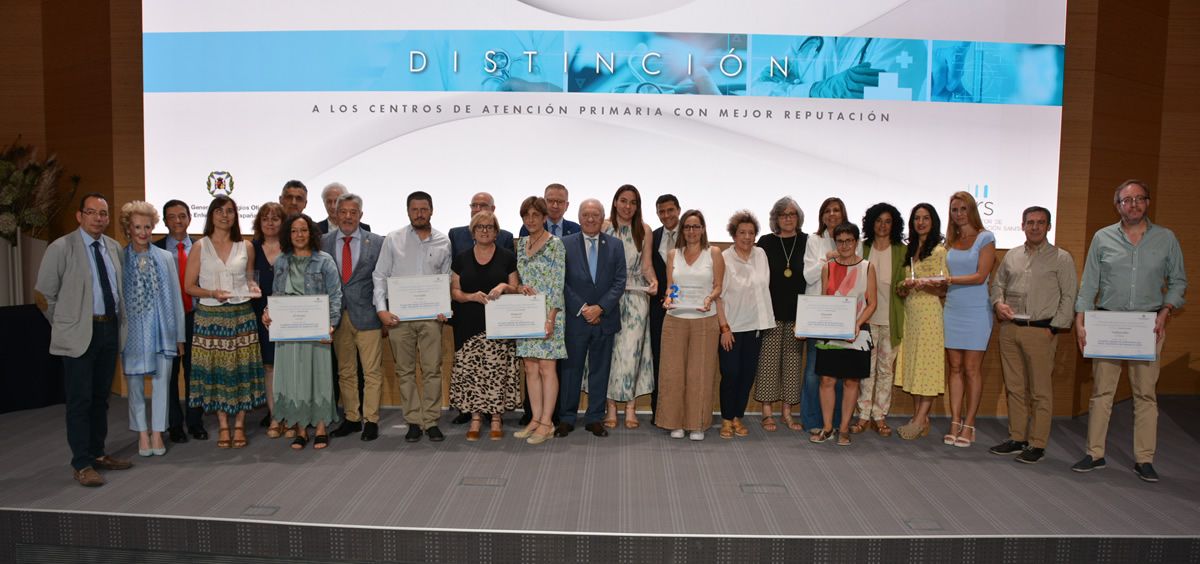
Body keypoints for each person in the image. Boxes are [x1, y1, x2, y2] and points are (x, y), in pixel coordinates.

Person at [1072, 180, 1187, 482]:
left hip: (1148, 326)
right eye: (1127, 200)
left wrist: (1165, 311)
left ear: (1147, 202)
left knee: (1145, 395)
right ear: (1118, 205)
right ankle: (1094, 454)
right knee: (1102, 393)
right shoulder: (1103, 237)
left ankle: (1144, 460)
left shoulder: (1166, 238)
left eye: (1139, 199)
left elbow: (1178, 281)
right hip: (1108, 324)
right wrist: (1080, 320)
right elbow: (1089, 283)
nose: (1133, 204)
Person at [36, 192, 133, 487]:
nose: (98, 218)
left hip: (108, 330)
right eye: (91, 212)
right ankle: (81, 463)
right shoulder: (61, 247)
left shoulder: (113, 247)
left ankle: (97, 453)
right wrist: (66, 324)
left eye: (103, 213)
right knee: (80, 400)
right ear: (80, 216)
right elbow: (44, 295)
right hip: (78, 333)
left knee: (101, 398)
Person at [989, 206, 1077, 464]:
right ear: (1022, 225)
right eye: (1030, 222)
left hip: (1041, 331)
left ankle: (1037, 443)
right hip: (1010, 329)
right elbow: (998, 285)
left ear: (1048, 226)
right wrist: (998, 304)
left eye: (1040, 222)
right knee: (1015, 388)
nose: (1035, 227)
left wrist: (1054, 328)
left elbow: (1069, 296)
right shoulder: (1012, 255)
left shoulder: (1061, 258)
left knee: (1040, 391)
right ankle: (1017, 438)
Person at [184, 195, 266, 449]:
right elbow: (189, 286)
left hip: (241, 316)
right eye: (219, 211)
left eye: (229, 211)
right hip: (211, 318)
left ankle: (239, 424)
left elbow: (249, 279)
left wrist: (253, 287)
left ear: (235, 216)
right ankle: (222, 425)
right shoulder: (200, 246)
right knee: (217, 372)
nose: (224, 215)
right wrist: (211, 293)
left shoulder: (246, 246)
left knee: (241, 370)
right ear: (211, 215)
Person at [373, 191, 452, 443]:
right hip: (399, 318)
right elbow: (380, 275)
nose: (419, 214)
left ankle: (431, 421)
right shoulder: (393, 239)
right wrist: (381, 309)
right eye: (415, 209)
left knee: (432, 370)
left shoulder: (443, 241)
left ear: (432, 210)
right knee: (404, 371)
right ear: (408, 211)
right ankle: (414, 422)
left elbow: (446, 279)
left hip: (431, 318)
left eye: (424, 209)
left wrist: (444, 307)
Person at [262, 214, 342, 450]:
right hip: (288, 332)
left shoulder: (324, 261)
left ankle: (320, 428)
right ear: (288, 234)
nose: (299, 235)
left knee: (318, 377)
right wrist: (267, 312)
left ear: (311, 233)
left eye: (304, 230)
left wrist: (331, 324)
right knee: (293, 379)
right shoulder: (281, 261)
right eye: (294, 231)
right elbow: (276, 294)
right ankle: (300, 430)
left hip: (316, 329)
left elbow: (335, 295)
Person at [119, 201, 186, 457]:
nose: (143, 232)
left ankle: (158, 432)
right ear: (128, 228)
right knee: (135, 384)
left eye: (147, 227)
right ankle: (141, 433)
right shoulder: (119, 258)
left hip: (162, 330)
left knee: (162, 383)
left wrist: (179, 336)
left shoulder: (165, 257)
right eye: (137, 227)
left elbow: (176, 299)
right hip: (132, 333)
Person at [556, 199, 626, 438]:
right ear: (579, 217)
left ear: (602, 218)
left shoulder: (615, 245)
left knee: (600, 370)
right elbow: (561, 281)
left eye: (595, 214)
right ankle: (566, 418)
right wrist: (584, 308)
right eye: (585, 214)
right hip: (576, 319)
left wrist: (600, 308)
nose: (590, 219)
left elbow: (619, 281)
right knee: (570, 370)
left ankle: (595, 418)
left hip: (605, 319)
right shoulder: (564, 244)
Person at [448, 210, 521, 441]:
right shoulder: (461, 258)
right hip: (468, 324)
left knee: (497, 373)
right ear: (473, 232)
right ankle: (476, 418)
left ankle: (496, 418)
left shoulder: (507, 256)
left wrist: (503, 286)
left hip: (499, 326)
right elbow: (454, 292)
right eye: (480, 227)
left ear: (496, 232)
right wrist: (470, 296)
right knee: (472, 374)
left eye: (489, 227)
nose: (485, 231)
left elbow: (516, 289)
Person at [323, 194, 387, 442]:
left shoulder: (377, 242)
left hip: (368, 315)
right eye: (343, 212)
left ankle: (371, 420)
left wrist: (385, 312)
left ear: (361, 215)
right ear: (335, 214)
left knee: (372, 372)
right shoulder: (324, 242)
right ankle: (351, 418)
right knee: (345, 371)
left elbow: (384, 280)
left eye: (353, 212)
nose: (348, 216)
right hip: (337, 318)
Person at [657, 209, 724, 441]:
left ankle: (697, 424)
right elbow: (671, 286)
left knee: (700, 373)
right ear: (682, 230)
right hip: (675, 319)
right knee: (672, 373)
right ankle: (674, 422)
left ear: (703, 229)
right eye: (687, 227)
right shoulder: (673, 254)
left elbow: (718, 286)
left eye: (696, 226)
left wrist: (709, 298)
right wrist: (668, 298)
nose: (691, 231)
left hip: (704, 320)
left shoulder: (713, 253)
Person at [809, 223, 877, 446]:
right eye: (840, 241)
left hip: (857, 332)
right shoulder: (828, 267)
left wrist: (857, 324)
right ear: (835, 243)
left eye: (849, 241)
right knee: (826, 379)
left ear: (856, 242)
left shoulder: (867, 267)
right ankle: (828, 428)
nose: (844, 245)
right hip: (831, 332)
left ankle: (844, 428)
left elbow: (872, 303)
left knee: (851, 381)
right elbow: (824, 301)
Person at [516, 183, 578, 427]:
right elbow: (521, 279)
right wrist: (519, 288)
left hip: (550, 314)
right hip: (526, 314)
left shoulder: (555, 244)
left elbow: (557, 284)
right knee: (530, 368)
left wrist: (550, 319)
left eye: (535, 215)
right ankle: (535, 418)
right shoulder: (521, 244)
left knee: (547, 369)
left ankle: (546, 422)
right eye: (526, 215)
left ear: (544, 217)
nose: (530, 219)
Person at [942, 191, 996, 448]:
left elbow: (980, 276)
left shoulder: (986, 237)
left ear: (972, 210)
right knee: (954, 367)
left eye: (963, 208)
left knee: (972, 369)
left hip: (976, 310)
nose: (959, 214)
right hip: (952, 308)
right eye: (954, 209)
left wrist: (948, 280)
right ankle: (955, 421)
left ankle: (970, 424)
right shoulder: (950, 240)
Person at [601, 185, 658, 429]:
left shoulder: (644, 230)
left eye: (633, 202)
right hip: (607, 297)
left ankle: (631, 407)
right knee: (610, 353)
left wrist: (654, 282)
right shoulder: (604, 226)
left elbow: (646, 266)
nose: (627, 206)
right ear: (615, 202)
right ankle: (611, 407)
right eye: (623, 201)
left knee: (632, 353)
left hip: (635, 298)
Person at [801, 198, 858, 432]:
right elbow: (809, 276)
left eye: (836, 210)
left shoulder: (854, 240)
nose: (832, 214)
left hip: (844, 314)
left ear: (843, 214)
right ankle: (813, 420)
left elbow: (857, 273)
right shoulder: (814, 240)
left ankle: (834, 422)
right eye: (827, 211)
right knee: (814, 371)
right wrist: (830, 256)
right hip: (818, 313)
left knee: (839, 372)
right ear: (822, 216)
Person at [715, 210, 773, 439]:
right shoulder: (724, 258)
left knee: (747, 375)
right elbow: (718, 296)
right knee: (730, 373)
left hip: (755, 327)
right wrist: (724, 328)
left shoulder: (761, 254)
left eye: (751, 233)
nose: (747, 237)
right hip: (731, 328)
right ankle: (726, 419)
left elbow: (763, 289)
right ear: (734, 234)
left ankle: (737, 416)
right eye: (742, 232)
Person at [851, 203, 906, 437]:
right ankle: (863, 415)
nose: (883, 225)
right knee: (866, 369)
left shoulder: (902, 251)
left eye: (888, 221)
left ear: (894, 225)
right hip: (865, 318)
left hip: (891, 319)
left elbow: (904, 283)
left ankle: (879, 415)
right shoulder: (862, 248)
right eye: (878, 220)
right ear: (871, 223)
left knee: (885, 370)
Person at [754, 197, 808, 432]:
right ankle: (767, 413)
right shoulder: (765, 242)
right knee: (768, 363)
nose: (788, 218)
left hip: (799, 313)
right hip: (771, 312)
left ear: (799, 217)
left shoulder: (807, 241)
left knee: (793, 364)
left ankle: (787, 413)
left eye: (792, 214)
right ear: (775, 218)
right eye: (783, 214)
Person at [894, 203, 948, 440]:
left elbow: (943, 288)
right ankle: (920, 418)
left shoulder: (939, 250)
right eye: (917, 218)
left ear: (933, 221)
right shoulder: (910, 249)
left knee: (927, 366)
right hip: (911, 315)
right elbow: (901, 286)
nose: (921, 222)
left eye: (926, 218)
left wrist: (923, 284)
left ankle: (918, 419)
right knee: (916, 365)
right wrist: (904, 288)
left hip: (929, 315)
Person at [154, 199, 205, 443]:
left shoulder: (201, 247)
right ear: (165, 221)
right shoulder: (155, 249)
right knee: (170, 373)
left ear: (189, 218)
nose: (178, 221)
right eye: (172, 217)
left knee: (195, 373)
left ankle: (195, 422)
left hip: (196, 317)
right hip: (167, 321)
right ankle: (175, 424)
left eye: (182, 216)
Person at [250, 202, 284, 435]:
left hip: (288, 313)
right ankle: (274, 417)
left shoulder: (290, 247)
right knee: (269, 366)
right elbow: (246, 278)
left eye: (275, 218)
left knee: (288, 365)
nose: (270, 223)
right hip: (260, 315)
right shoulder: (251, 247)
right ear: (259, 222)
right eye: (265, 218)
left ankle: (290, 415)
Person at [649, 194, 681, 424]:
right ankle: (659, 412)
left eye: (670, 210)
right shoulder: (653, 236)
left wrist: (675, 297)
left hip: (685, 307)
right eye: (662, 211)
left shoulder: (691, 234)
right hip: (658, 309)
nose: (666, 215)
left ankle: (681, 412)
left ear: (678, 210)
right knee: (659, 360)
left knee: (681, 361)